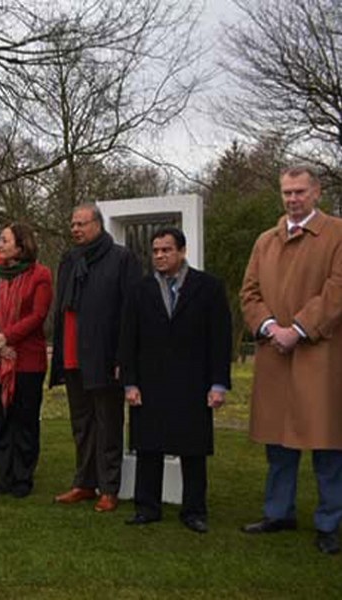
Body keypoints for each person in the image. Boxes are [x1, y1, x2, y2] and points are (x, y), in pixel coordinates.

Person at [239, 165, 342, 555]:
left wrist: (296, 329)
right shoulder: (266, 240)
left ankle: (329, 522)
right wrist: (268, 326)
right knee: (278, 443)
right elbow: (248, 291)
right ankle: (278, 512)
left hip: (321, 354)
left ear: (317, 192)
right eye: (286, 192)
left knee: (328, 443)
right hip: (275, 355)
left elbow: (337, 292)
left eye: (300, 191)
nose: (293, 199)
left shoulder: (337, 234)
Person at [120, 227, 232, 533]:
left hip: (193, 382)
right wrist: (130, 383)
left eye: (166, 250)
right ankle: (147, 507)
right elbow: (127, 339)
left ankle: (194, 511)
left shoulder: (208, 287)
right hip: (150, 381)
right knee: (148, 446)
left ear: (182, 251)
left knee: (193, 449)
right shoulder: (139, 290)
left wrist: (218, 383)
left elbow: (220, 340)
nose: (159, 256)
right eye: (155, 251)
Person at [50, 203, 142, 512]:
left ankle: (109, 488)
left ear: (98, 225)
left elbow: (131, 313)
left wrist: (123, 357)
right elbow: (62, 311)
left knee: (109, 424)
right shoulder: (69, 260)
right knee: (82, 424)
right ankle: (84, 483)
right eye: (72, 224)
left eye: (81, 223)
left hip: (104, 357)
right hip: (74, 357)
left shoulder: (122, 259)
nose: (75, 229)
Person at [0, 223, 52, 498]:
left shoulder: (40, 275)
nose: (0, 243)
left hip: (27, 362)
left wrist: (6, 337)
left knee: (25, 420)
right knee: (3, 420)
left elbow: (38, 315)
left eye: (5, 239)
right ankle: (5, 477)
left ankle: (22, 478)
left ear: (21, 246)